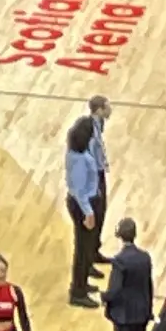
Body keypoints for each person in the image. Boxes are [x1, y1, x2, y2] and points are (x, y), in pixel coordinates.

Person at [64, 116, 106, 305]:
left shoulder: (76, 153)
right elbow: (79, 191)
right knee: (81, 247)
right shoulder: (80, 160)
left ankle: (84, 278)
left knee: (86, 245)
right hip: (83, 205)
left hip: (86, 202)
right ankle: (77, 292)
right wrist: (88, 212)